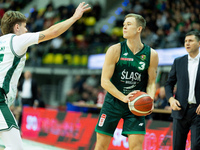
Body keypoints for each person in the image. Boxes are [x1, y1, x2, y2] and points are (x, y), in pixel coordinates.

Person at [0, 2, 90, 150]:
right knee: (15, 147)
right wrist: (74, 17)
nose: (26, 29)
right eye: (24, 26)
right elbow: (52, 32)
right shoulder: (17, 40)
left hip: (4, 98)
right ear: (17, 27)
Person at [94, 13, 158, 150]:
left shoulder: (151, 54)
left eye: (129, 24)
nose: (124, 27)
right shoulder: (115, 50)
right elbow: (104, 81)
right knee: (100, 146)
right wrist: (123, 98)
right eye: (124, 25)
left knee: (136, 147)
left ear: (139, 29)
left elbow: (151, 82)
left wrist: (150, 99)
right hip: (113, 103)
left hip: (136, 106)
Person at [165, 30, 200, 150]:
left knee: (196, 146)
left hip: (198, 112)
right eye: (185, 41)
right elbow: (169, 84)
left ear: (199, 43)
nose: (187, 43)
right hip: (180, 110)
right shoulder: (178, 61)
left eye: (191, 40)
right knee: (177, 146)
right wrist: (171, 99)